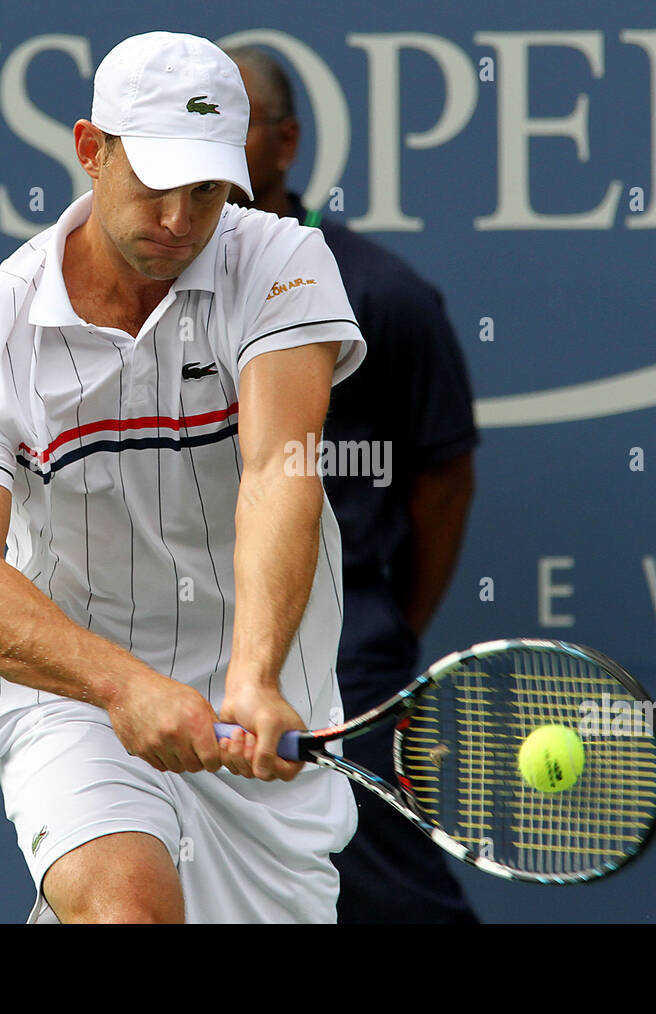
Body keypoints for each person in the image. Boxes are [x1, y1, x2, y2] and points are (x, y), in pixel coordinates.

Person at [0, 31, 366, 924]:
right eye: (156, 183)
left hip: (251, 709)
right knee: (128, 911)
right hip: (69, 692)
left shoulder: (282, 262)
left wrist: (254, 677)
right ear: (91, 152)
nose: (181, 219)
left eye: (209, 191)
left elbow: (278, 471)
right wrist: (120, 687)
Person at [225, 47, 481, 924]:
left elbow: (444, 482)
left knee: (384, 894)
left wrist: (378, 624)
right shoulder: (143, 295)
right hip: (173, 640)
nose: (208, 147)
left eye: (234, 120)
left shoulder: (384, 296)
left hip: (348, 646)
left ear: (286, 142)